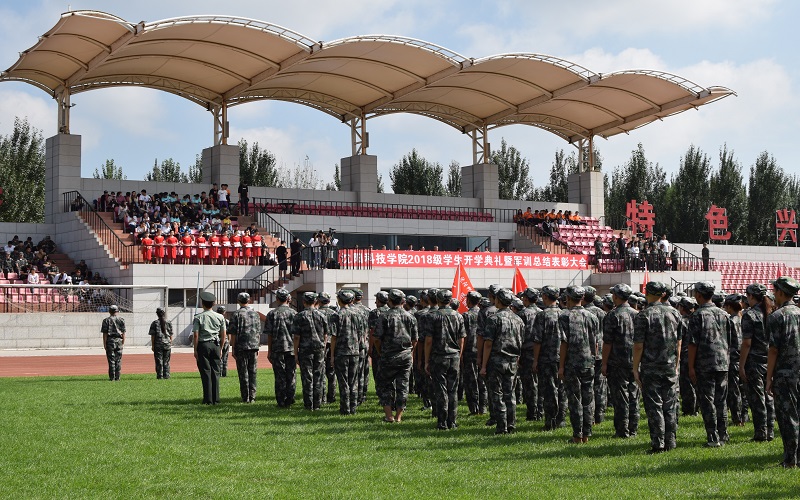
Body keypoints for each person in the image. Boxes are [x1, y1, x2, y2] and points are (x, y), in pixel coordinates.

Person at [633, 281, 682, 454]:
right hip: (669, 365)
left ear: (647, 293)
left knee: (654, 406)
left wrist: (635, 368)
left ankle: (658, 443)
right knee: (670, 404)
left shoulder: (644, 315)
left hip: (651, 366)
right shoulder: (675, 313)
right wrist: (676, 365)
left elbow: (638, 345)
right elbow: (678, 343)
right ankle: (671, 441)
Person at [688, 281, 731, 448]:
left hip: (704, 364)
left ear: (699, 295)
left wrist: (691, 367)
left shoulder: (697, 315)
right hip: (723, 362)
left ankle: (713, 437)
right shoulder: (724, 314)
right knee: (721, 400)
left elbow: (692, 344)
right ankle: (723, 434)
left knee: (707, 401)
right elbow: (731, 341)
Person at [766, 276, 800, 468]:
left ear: (780, 292)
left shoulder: (777, 317)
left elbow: (773, 349)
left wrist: (769, 377)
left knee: (788, 417)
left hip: (785, 373)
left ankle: (790, 459)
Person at [559, 286, 599, 444]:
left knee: (575, 399)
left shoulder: (564, 316)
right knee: (588, 399)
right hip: (588, 362)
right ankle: (586, 434)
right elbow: (595, 342)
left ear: (568, 298)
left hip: (572, 363)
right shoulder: (591, 316)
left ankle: (577, 435)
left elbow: (564, 343)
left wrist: (561, 366)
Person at [481, 288, 524, 435]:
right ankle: (511, 424)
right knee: (510, 394)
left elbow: (488, 344)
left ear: (498, 301)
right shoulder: (518, 319)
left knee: (497, 394)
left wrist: (483, 365)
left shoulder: (493, 319)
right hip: (512, 360)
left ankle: (502, 426)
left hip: (496, 360)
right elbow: (521, 341)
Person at [601, 284, 640, 438]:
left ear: (616, 297)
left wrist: (604, 363)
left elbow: (607, 342)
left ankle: (622, 430)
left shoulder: (612, 315)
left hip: (617, 362)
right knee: (633, 395)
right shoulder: (637, 314)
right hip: (635, 361)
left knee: (620, 397)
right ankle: (633, 428)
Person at [424, 289, 466, 430]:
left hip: (438, 357)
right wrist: (459, 355)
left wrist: (426, 360)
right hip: (454, 356)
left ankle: (442, 422)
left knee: (440, 389)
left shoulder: (433, 316)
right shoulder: (458, 316)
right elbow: (462, 339)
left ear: (438, 300)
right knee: (452, 390)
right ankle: (452, 421)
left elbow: (428, 340)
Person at [375, 289, 418, 423]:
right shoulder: (410, 316)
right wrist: (409, 351)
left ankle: (389, 416)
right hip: (405, 356)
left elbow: (376, 338)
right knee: (403, 385)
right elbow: (415, 339)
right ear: (402, 301)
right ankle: (399, 416)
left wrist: (380, 351)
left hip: (388, 355)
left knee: (385, 385)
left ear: (389, 301)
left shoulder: (384, 316)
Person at [740, 282, 775, 442]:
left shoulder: (750, 314)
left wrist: (741, 366)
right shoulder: (771, 312)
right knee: (768, 397)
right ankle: (770, 431)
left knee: (757, 398)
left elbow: (747, 342)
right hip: (769, 360)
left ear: (751, 296)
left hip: (754, 361)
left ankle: (761, 433)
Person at [533, 285, 567, 431]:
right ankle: (561, 419)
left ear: (545, 297)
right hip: (563, 357)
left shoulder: (542, 315)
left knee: (549, 390)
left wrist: (535, 360)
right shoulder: (565, 314)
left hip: (547, 358)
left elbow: (537, 340)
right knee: (562, 389)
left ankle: (550, 421)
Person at [292, 292, 329, 411]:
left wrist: (295, 352)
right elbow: (325, 334)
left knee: (307, 377)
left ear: (304, 302)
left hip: (305, 349)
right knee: (318, 376)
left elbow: (296, 337)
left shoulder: (299, 316)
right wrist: (323, 348)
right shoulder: (322, 315)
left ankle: (309, 404)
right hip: (319, 348)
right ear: (315, 302)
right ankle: (317, 404)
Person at [331, 289, 363, 415]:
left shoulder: (336, 315)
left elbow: (334, 336)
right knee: (353, 380)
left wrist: (332, 355)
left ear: (339, 300)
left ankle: (345, 409)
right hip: (355, 351)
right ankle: (353, 408)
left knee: (343, 381)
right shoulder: (358, 314)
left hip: (341, 352)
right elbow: (361, 334)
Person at [264, 288, 297, 407]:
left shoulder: (272, 314)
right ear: (288, 299)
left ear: (277, 299)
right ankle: (290, 398)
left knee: (279, 375)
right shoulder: (294, 313)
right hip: (291, 348)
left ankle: (281, 400)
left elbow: (269, 334)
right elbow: (297, 334)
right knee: (291, 374)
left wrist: (269, 350)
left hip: (277, 348)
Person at [193, 291, 226, 404]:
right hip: (216, 345)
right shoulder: (220, 317)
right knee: (216, 372)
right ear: (213, 304)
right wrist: (221, 348)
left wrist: (195, 349)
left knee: (206, 372)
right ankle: (216, 399)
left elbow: (196, 334)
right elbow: (223, 334)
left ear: (203, 304)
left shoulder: (198, 317)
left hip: (203, 345)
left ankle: (208, 399)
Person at [229, 292, 262, 403]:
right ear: (249, 300)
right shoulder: (255, 314)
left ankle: (245, 397)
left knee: (243, 372)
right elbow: (258, 332)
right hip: (253, 346)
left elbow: (233, 333)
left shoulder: (236, 314)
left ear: (238, 301)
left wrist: (232, 347)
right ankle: (252, 396)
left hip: (240, 346)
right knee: (253, 372)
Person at [518, 288, 541, 421]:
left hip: (527, 352)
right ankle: (540, 410)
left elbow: (519, 336)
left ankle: (533, 413)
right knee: (540, 383)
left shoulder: (523, 314)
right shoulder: (541, 312)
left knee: (529, 384)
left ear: (526, 299)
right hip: (541, 352)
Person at [461, 291, 486, 416]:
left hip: (469, 351)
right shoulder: (485, 313)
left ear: (468, 301)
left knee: (471, 382)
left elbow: (463, 337)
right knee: (481, 381)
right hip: (482, 351)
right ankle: (483, 407)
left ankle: (474, 408)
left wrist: (461, 353)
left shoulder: (465, 316)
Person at [101, 305, 126, 381]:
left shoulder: (106, 320)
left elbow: (105, 334)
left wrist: (104, 343)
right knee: (118, 360)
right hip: (119, 341)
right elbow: (123, 332)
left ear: (109, 311)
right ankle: (117, 377)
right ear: (117, 311)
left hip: (110, 341)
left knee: (111, 360)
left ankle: (112, 377)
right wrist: (123, 342)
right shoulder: (121, 320)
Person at [149, 307, 173, 379]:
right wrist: (170, 342)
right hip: (167, 344)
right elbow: (171, 334)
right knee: (166, 361)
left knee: (159, 361)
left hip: (158, 344)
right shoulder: (169, 322)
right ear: (164, 313)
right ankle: (167, 375)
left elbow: (153, 335)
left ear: (157, 314)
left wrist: (153, 345)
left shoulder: (154, 323)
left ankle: (160, 376)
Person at [216, 306, 231, 376]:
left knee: (218, 357)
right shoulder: (226, 321)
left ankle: (218, 372)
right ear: (224, 312)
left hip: (217, 340)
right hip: (225, 341)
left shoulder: (215, 320)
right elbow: (229, 333)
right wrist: (229, 342)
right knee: (225, 357)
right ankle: (224, 373)